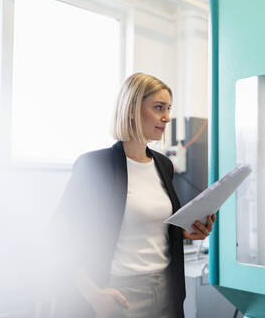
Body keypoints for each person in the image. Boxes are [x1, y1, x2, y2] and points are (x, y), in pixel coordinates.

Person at [50, 72, 216, 318]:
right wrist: (93, 293)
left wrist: (184, 230)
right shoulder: (95, 165)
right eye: (159, 107)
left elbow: (150, 228)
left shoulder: (163, 165)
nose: (167, 117)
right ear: (131, 109)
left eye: (169, 108)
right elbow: (59, 237)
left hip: (167, 290)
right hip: (120, 293)